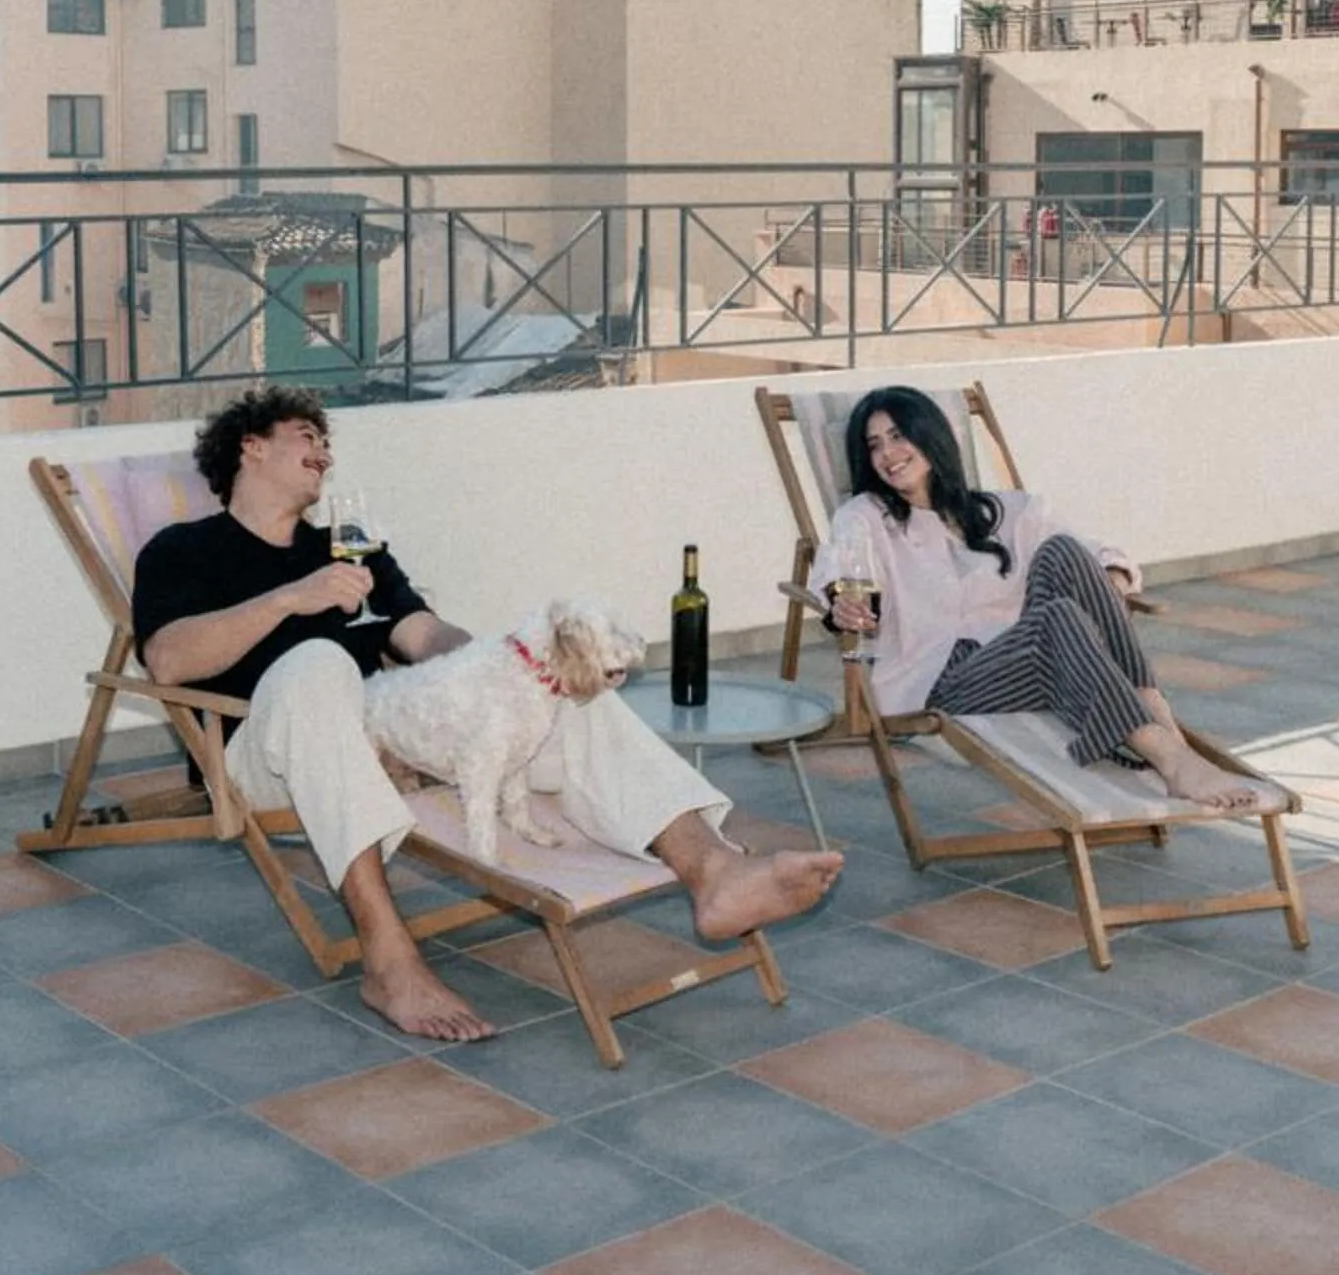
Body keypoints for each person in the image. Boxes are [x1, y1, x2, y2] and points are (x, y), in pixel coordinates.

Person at [132, 385, 845, 1043]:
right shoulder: (184, 549)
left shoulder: (352, 547)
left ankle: (712, 869)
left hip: (387, 745)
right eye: (304, 435)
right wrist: (294, 598)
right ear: (251, 446)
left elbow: (426, 639)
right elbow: (167, 660)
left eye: (326, 440)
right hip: (263, 758)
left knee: (563, 689)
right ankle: (389, 960)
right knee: (318, 661)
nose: (323, 451)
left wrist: (515, 666)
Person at [809, 386, 1267, 810]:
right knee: (1057, 618)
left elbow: (1097, 554)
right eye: (873, 445)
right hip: (941, 686)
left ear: (930, 434)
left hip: (1028, 664)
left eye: (897, 435)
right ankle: (1169, 751)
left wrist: (1108, 583)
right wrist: (840, 603)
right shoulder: (866, 517)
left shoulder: (1006, 510)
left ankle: (1153, 712)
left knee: (1064, 552)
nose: (887, 454)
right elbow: (840, 569)